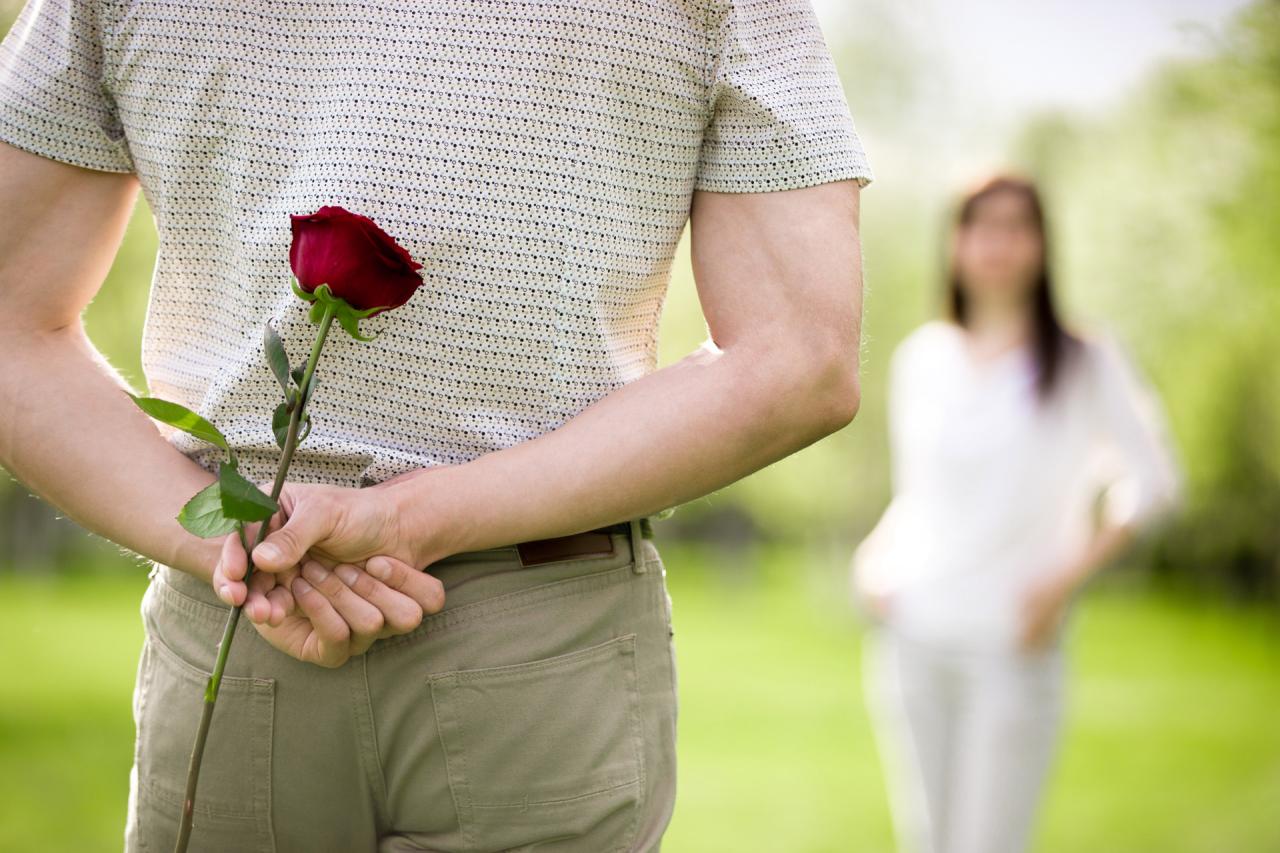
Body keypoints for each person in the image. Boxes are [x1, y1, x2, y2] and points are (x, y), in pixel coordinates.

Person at [0, 0, 874, 850]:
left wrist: (248, 547)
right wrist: (286, 551)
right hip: (520, 644)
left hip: (254, 621)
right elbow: (799, 357)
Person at [850, 173, 1181, 853]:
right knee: (927, 840)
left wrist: (1061, 581)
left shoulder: (1083, 361)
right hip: (914, 632)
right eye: (980, 224)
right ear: (955, 242)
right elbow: (920, 493)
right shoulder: (923, 359)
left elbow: (1154, 481)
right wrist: (874, 559)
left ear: (1041, 244)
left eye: (1016, 225)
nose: (997, 242)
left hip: (1012, 639)